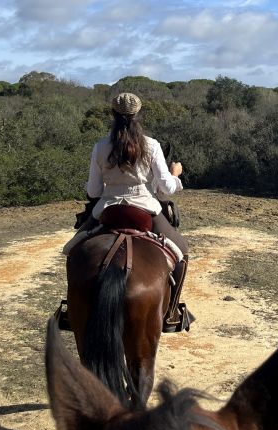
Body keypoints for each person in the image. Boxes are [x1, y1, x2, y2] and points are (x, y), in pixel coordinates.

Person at [69, 92, 191, 333]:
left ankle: (69, 310)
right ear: (138, 115)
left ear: (113, 115)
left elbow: (93, 190)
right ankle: (172, 311)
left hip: (108, 210)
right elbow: (165, 188)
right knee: (182, 252)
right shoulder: (152, 145)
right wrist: (175, 175)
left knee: (72, 250)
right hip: (145, 209)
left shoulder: (100, 146)